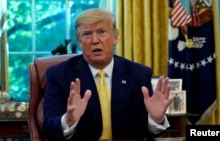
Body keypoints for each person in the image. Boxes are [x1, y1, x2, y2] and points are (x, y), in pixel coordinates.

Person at [43, 8, 173, 141]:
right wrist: (69, 120)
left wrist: (155, 119)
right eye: (87, 34)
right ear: (80, 41)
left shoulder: (138, 74)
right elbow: (48, 128)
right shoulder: (59, 75)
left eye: (102, 32)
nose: (95, 40)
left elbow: (143, 131)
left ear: (115, 37)